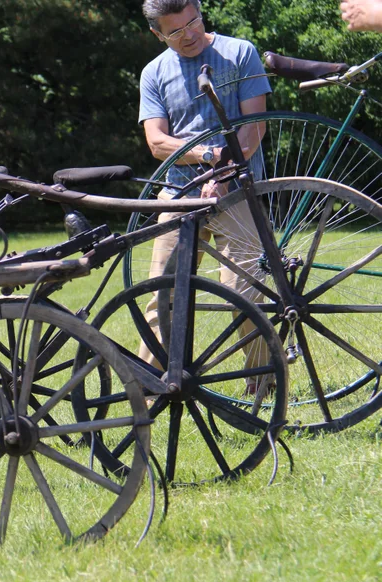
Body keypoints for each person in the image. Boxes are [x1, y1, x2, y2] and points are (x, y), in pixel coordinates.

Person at [138, 0, 271, 391]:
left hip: (237, 192)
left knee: (245, 291)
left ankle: (264, 381)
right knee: (161, 297)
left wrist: (225, 172)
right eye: (176, 32)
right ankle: (149, 389)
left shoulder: (238, 53)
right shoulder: (154, 73)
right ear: (157, 34)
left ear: (199, 11)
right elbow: (157, 142)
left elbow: (254, 127)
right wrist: (209, 158)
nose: (189, 35)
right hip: (179, 194)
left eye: (192, 22)